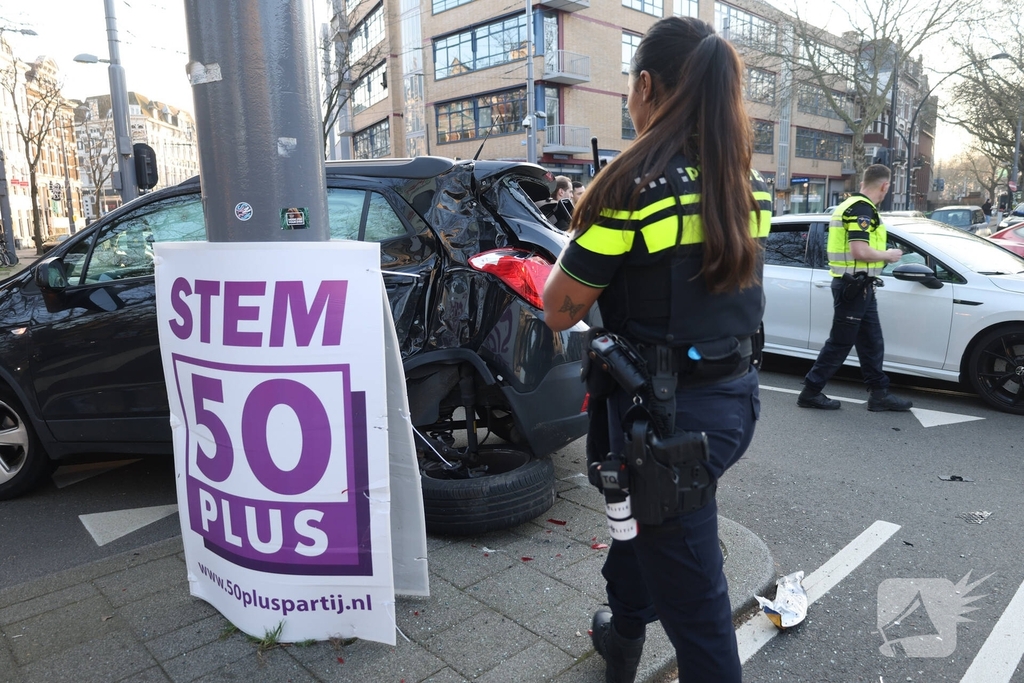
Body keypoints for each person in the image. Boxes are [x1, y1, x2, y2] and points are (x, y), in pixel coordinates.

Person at [542, 16, 770, 683]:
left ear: (645, 86)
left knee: (698, 614)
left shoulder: (631, 185)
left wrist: (581, 233)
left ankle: (632, 632)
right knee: (642, 532)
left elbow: (560, 306)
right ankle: (624, 631)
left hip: (663, 428)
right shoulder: (745, 186)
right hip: (731, 405)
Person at [797, 164, 913, 412]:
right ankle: (810, 391)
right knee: (840, 342)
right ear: (885, 186)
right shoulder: (861, 209)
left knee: (872, 341)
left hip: (860, 286)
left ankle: (879, 394)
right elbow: (859, 250)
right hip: (853, 286)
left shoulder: (850, 205)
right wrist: (889, 255)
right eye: (887, 187)